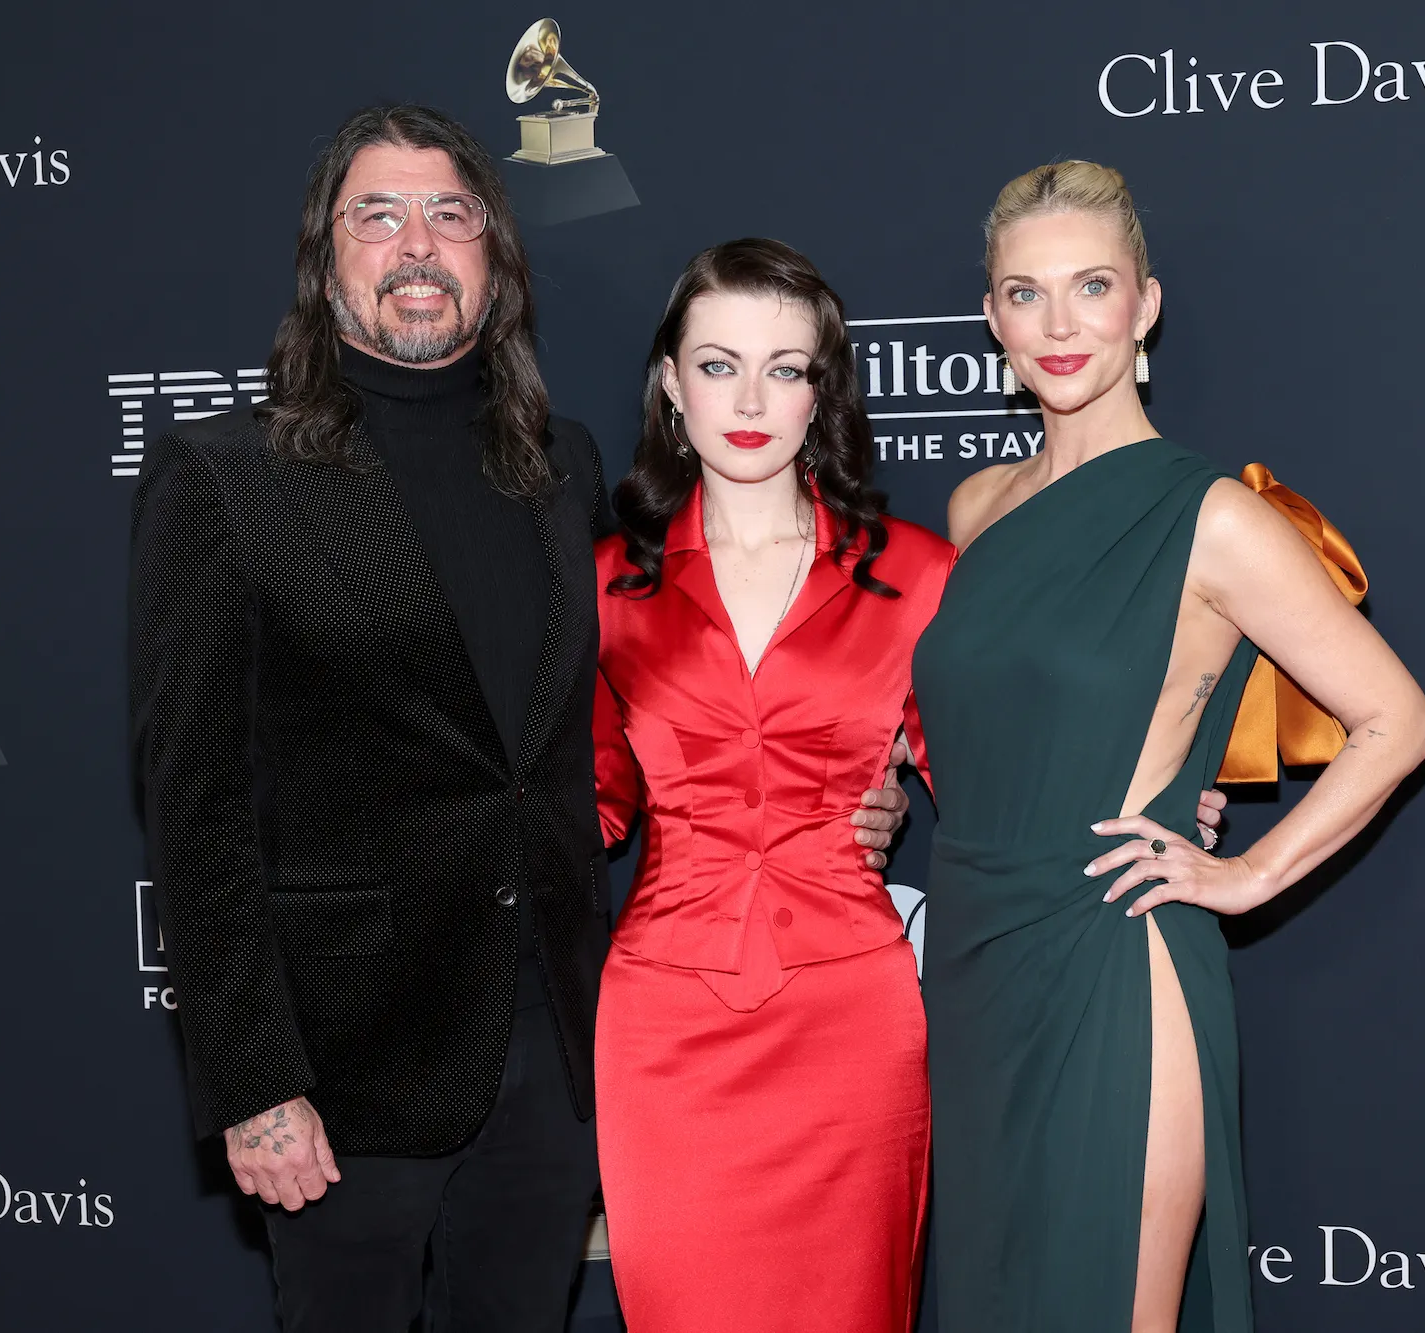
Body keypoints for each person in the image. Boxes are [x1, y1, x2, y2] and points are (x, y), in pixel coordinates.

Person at [127, 107, 907, 1333]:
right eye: (375, 215)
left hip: (556, 1055)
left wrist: (860, 789)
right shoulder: (225, 479)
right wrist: (255, 1082)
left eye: (451, 214)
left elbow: (636, 721)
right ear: (324, 257)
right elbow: (194, 809)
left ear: (494, 259)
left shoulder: (560, 467)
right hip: (346, 1071)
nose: (416, 244)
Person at [911, 161, 1425, 1332]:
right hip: (975, 965)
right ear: (989, 313)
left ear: (1144, 305)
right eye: (1023, 292)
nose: (1057, 325)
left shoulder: (1212, 516)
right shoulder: (974, 507)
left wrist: (1243, 874)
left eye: (1090, 286)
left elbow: (1395, 720)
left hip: (1114, 959)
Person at [588, 238, 951, 1332]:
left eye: (785, 368)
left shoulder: (915, 575)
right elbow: (585, 804)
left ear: (821, 395)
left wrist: (1165, 798)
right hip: (664, 1025)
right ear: (668, 383)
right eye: (717, 364)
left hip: (850, 1022)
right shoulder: (606, 582)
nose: (749, 399)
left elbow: (995, 788)